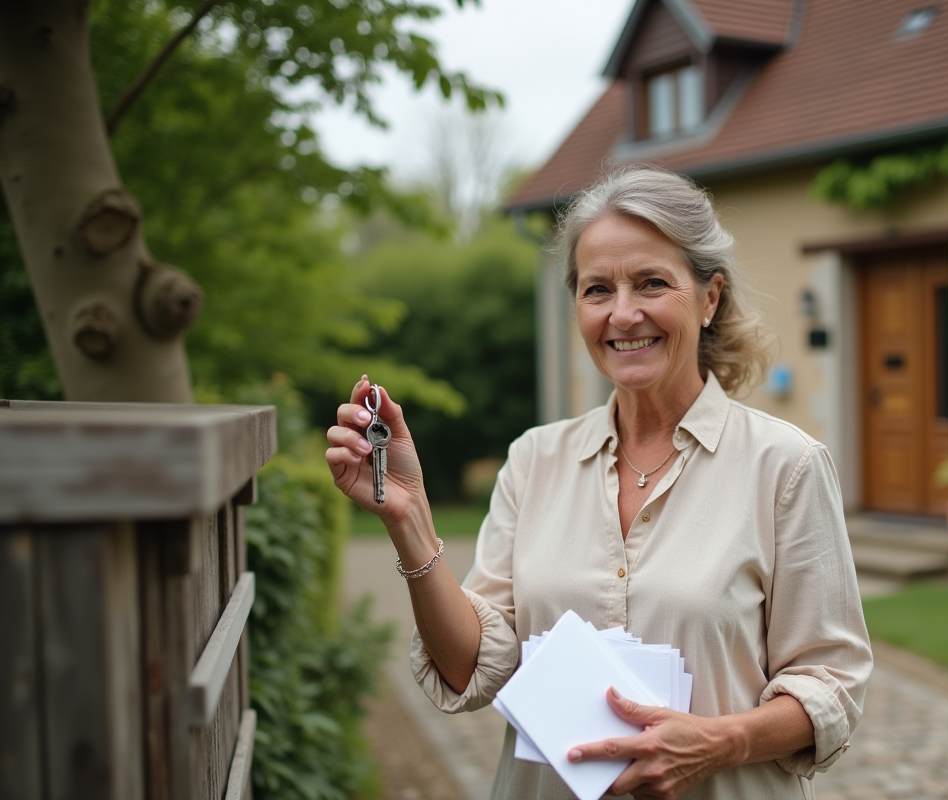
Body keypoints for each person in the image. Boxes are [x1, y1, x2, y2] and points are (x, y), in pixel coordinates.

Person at [326, 166, 872, 800]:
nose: (623, 314)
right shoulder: (535, 460)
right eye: (596, 290)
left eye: (652, 283)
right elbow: (471, 668)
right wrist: (409, 519)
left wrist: (721, 741)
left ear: (709, 297)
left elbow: (831, 682)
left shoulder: (787, 466)